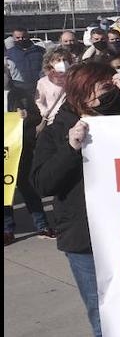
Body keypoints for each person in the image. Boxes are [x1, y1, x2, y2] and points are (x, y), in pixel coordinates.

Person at [31, 60, 120, 337]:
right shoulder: (58, 129)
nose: (105, 95)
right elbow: (43, 183)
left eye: (109, 88)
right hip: (85, 240)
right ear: (80, 92)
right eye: (99, 89)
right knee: (104, 317)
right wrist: (70, 148)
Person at [4, 75, 53, 244]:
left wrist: (26, 115)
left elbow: (36, 116)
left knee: (28, 187)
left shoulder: (21, 93)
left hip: (20, 147)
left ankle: (42, 225)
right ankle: (7, 230)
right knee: (6, 190)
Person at [36, 47, 76, 126]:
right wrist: (45, 113)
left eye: (64, 60)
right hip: (53, 120)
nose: (62, 63)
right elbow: (39, 101)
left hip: (73, 119)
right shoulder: (43, 82)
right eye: (58, 60)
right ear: (51, 62)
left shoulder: (75, 79)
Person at [4, 28, 46, 95]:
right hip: (19, 89)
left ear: (28, 36)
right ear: (14, 38)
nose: (21, 39)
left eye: (24, 37)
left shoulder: (40, 51)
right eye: (18, 38)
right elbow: (7, 73)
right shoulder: (9, 54)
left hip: (39, 88)